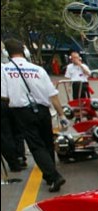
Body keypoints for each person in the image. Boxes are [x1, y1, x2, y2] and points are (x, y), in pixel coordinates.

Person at [1, 38, 70, 192]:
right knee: (47, 143)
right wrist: (62, 115)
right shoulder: (38, 69)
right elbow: (53, 94)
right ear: (24, 51)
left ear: (7, 52)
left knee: (36, 145)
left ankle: (53, 176)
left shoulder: (4, 70)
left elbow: (4, 96)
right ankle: (50, 174)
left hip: (22, 111)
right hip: (43, 110)